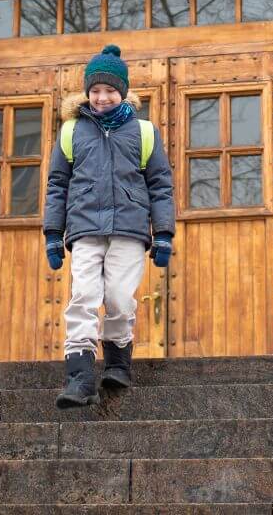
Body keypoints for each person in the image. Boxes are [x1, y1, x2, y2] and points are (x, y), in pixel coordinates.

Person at [42, 44, 175, 408]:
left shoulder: (144, 132)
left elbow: (160, 184)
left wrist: (163, 233)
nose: (102, 97)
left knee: (118, 297)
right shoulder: (71, 132)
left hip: (129, 229)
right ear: (88, 92)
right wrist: (53, 233)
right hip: (85, 228)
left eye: (110, 90)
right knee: (83, 297)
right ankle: (80, 378)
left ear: (122, 92)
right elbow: (57, 184)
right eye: (96, 90)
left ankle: (117, 362)